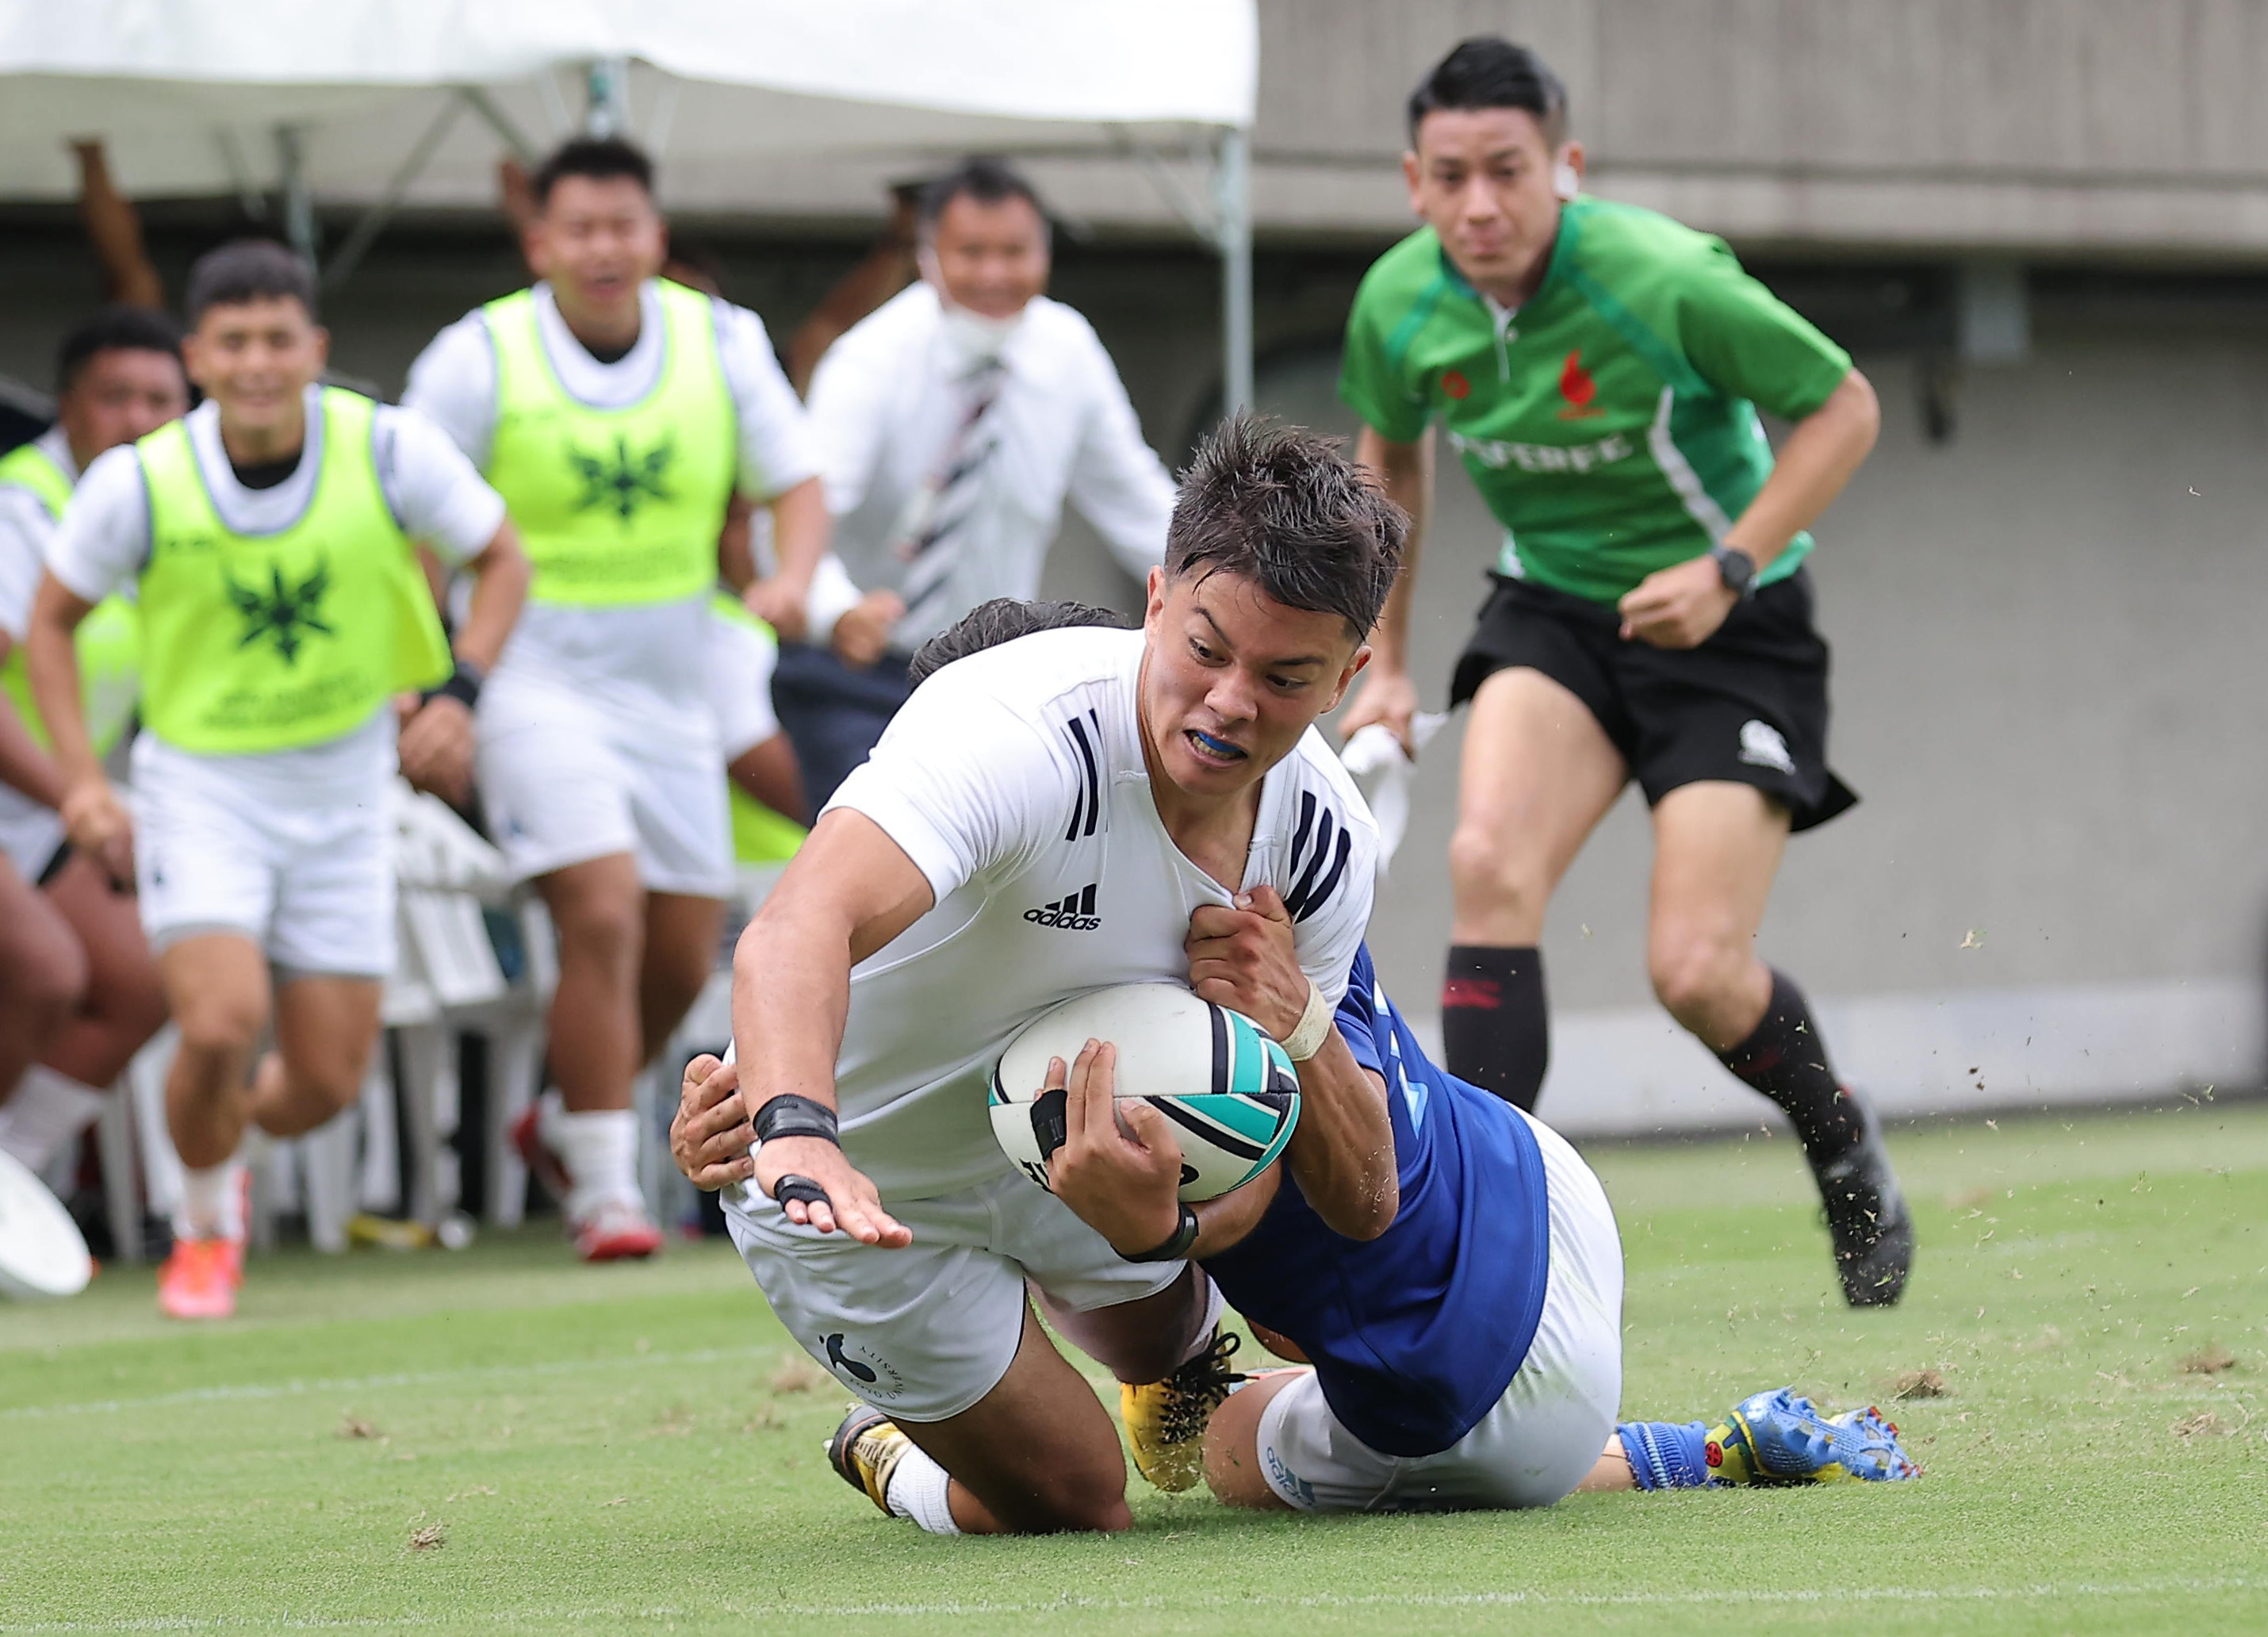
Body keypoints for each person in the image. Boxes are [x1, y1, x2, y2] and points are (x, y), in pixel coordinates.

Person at [672, 419, 1400, 1535]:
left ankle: (1172, 1341)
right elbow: (795, 926)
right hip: (861, 1191)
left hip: (1062, 1158)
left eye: (1286, 676)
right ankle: (889, 1453)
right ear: (1156, 600)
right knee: (1074, 1500)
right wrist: (794, 1124)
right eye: (1206, 650)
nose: (1230, 702)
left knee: (1274, 1336)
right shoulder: (1021, 729)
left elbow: (1321, 1182)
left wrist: (1168, 1225)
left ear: (1348, 676)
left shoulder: (1319, 841)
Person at [1333, 36, 1910, 1306]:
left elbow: (1848, 405)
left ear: (1566, 168)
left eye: (1508, 172)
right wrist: (1381, 657)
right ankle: (1477, 1234)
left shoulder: (1660, 279)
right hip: (1554, 612)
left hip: (1728, 630)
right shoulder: (1400, 302)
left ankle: (1839, 1139)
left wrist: (1730, 569)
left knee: (1695, 970)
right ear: (1414, 183)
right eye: (1450, 177)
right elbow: (1392, 458)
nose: (1480, 204)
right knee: (1486, 862)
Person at [27, 240, 529, 1319]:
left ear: (317, 350)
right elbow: (51, 625)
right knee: (216, 1024)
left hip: (349, 797)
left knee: (320, 1089)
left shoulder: (388, 447)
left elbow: (504, 557)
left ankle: (218, 1147)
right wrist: (82, 780)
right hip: (202, 793)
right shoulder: (144, 481)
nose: (258, 362)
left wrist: (458, 691)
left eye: (278, 339)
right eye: (236, 341)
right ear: (200, 356)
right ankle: (203, 1228)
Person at [404, 136, 829, 1260]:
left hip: (674, 687)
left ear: (653, 234)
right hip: (531, 681)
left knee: (680, 955)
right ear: (539, 240)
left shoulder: (720, 340)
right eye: (578, 229)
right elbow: (411, 525)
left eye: (623, 226)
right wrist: (434, 677)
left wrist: (788, 578)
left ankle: (556, 1120)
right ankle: (607, 1193)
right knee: (599, 910)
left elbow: (797, 483)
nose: (603, 248)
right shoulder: (477, 354)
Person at [752, 156, 1178, 807]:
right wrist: (837, 612)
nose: (995, 274)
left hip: (997, 677)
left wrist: (1224, 583)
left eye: (1015, 252)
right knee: (882, 860)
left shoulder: (1068, 350)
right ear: (927, 257)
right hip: (857, 672)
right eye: (970, 252)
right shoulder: (870, 359)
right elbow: (798, 516)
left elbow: (1135, 500)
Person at [0, 308, 185, 1177]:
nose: (138, 419)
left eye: (160, 399)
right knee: (42, 972)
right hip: (38, 797)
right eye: (115, 397)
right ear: (66, 408)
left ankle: (17, 1173)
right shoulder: (17, 508)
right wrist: (83, 797)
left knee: (149, 975)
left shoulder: (177, 512)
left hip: (49, 808)